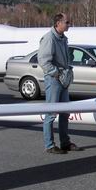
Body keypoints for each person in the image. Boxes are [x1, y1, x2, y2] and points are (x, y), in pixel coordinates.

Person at [38, 13, 83, 154]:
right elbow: (43, 60)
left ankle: (65, 142)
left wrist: (66, 71)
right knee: (51, 113)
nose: (69, 24)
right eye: (67, 22)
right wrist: (56, 73)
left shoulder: (63, 38)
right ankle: (49, 145)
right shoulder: (49, 38)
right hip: (54, 79)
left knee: (65, 112)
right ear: (58, 23)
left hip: (62, 79)